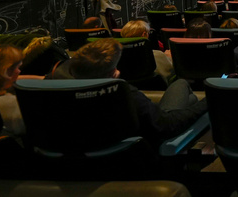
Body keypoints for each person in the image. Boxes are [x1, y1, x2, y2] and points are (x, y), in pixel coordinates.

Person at [61, 39, 207, 144]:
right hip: (140, 157)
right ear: (113, 73)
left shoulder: (61, 96)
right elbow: (167, 126)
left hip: (85, 162)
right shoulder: (124, 94)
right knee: (183, 86)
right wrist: (208, 101)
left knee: (188, 95)